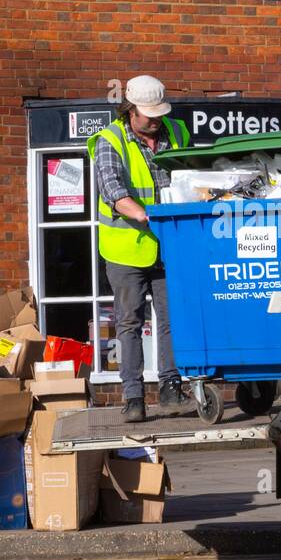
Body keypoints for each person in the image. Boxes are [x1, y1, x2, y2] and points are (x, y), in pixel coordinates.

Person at [87, 75, 192, 423]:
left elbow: (190, 178)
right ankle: (133, 397)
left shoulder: (176, 133)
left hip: (170, 245)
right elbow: (115, 194)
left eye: (158, 113)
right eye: (148, 114)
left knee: (172, 317)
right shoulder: (109, 141)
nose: (155, 121)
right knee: (129, 323)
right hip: (127, 249)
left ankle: (171, 387)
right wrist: (150, 218)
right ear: (129, 110)